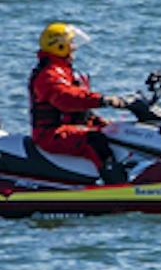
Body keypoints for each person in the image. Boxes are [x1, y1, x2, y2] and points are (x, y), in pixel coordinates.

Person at [26, 21, 144, 179]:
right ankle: (114, 183)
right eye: (71, 43)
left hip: (71, 126)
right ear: (59, 46)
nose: (74, 47)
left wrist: (105, 122)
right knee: (95, 140)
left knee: (119, 132)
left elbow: (80, 109)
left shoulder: (64, 71)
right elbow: (67, 99)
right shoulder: (49, 75)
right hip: (50, 134)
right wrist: (103, 100)